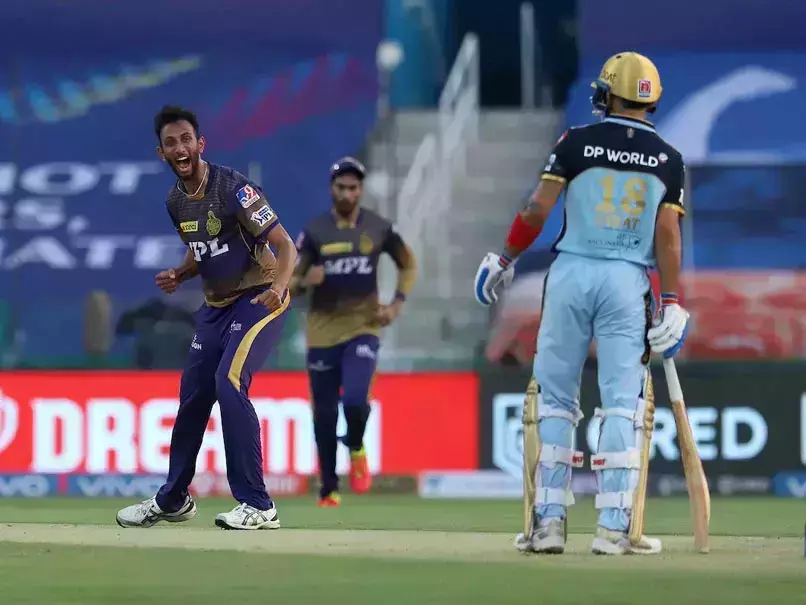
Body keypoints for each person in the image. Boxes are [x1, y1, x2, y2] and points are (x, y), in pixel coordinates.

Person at [473, 52, 689, 555]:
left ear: (608, 94)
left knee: (554, 400)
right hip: (627, 281)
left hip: (570, 274)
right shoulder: (669, 158)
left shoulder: (576, 141)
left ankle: (547, 526)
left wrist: (505, 257)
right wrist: (672, 300)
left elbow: (537, 209)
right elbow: (668, 236)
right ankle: (614, 530)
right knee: (622, 404)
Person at [116, 105, 298, 530]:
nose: (180, 148)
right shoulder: (175, 201)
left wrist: (277, 287)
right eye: (170, 143)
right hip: (215, 308)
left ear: (200, 144)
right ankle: (174, 500)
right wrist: (181, 273)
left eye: (186, 140)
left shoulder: (235, 189)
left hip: (258, 298)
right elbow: (205, 247)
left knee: (228, 383)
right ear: (162, 153)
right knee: (193, 398)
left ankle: (258, 504)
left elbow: (286, 245)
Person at [290, 157, 417, 507]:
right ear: (331, 189)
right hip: (322, 334)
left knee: (356, 401)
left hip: (364, 328)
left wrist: (396, 304)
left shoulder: (378, 227)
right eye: (341, 187)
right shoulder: (315, 231)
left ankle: (357, 445)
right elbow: (289, 283)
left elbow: (408, 264)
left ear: (361, 190)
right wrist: (306, 279)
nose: (347, 194)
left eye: (353, 187)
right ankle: (329, 489)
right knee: (325, 414)